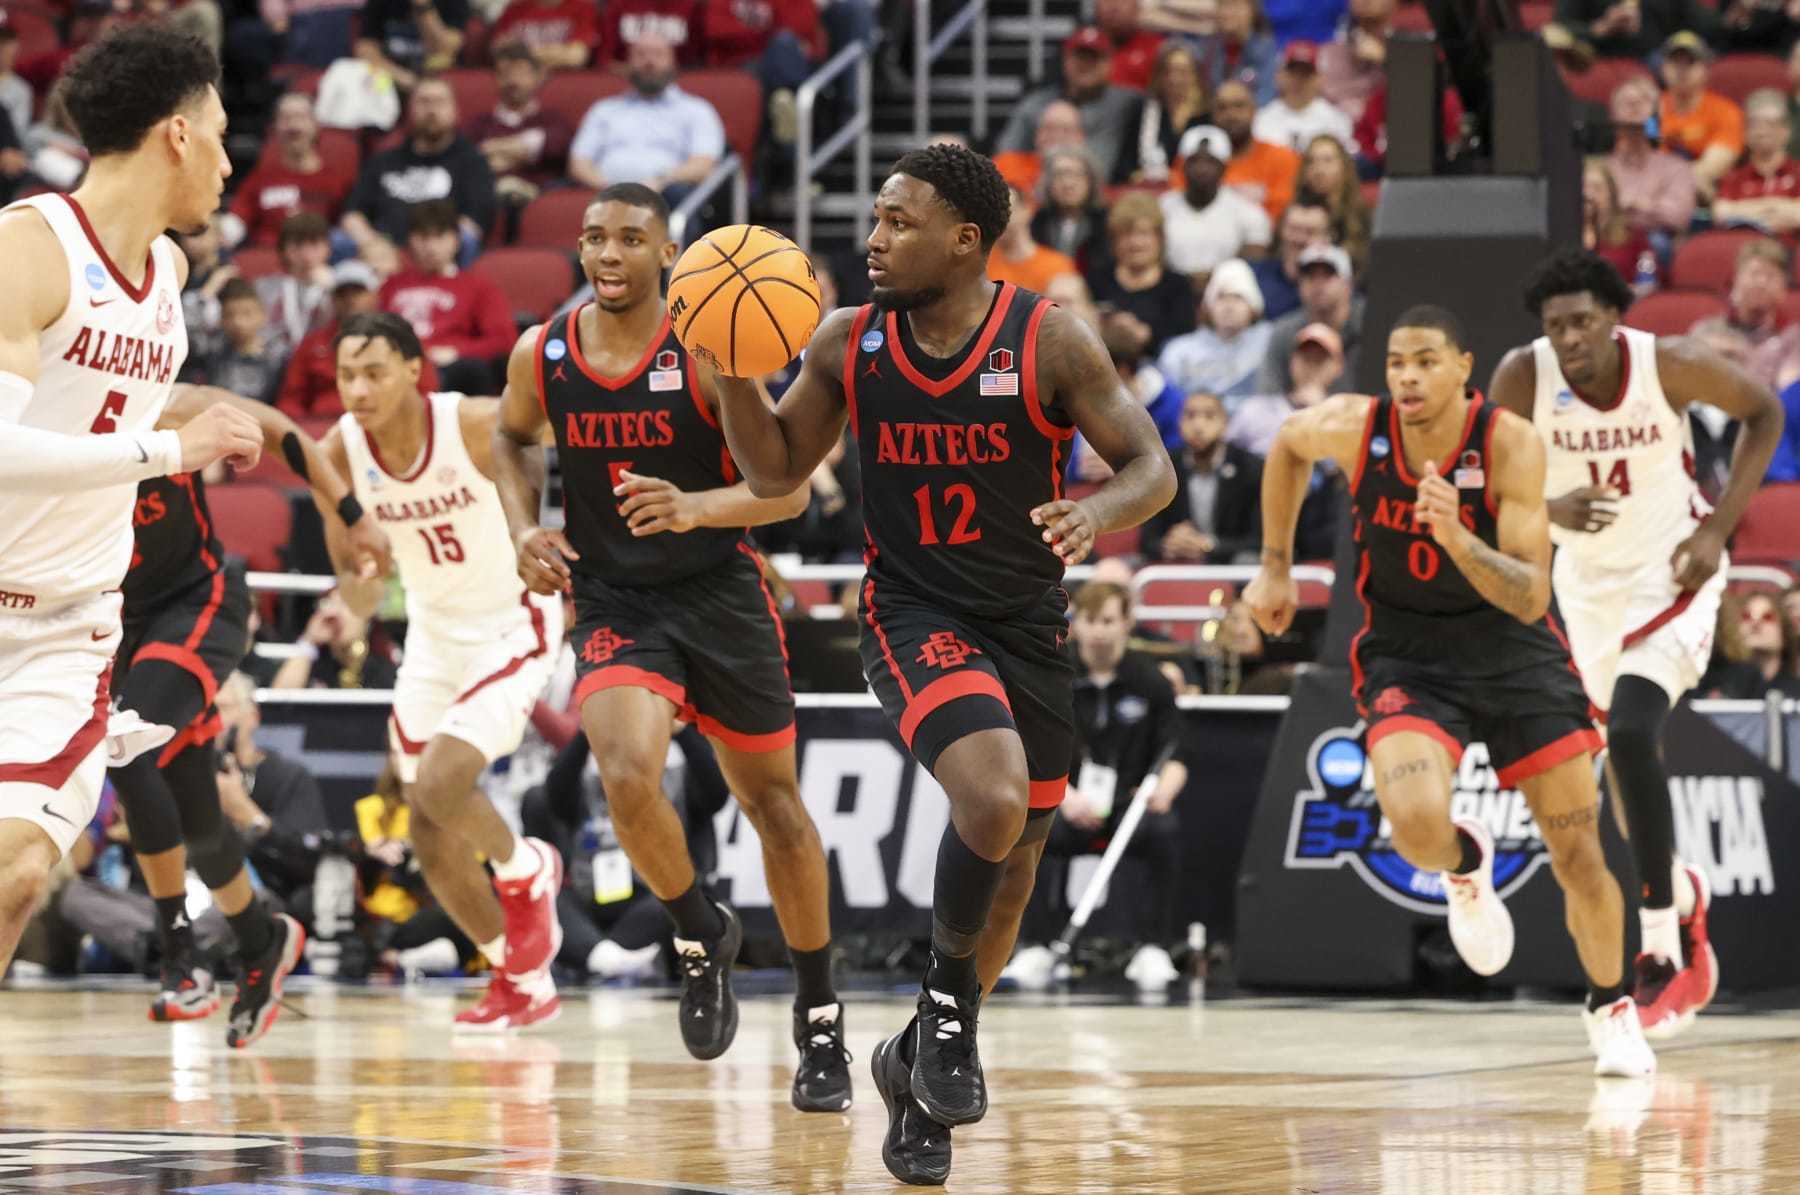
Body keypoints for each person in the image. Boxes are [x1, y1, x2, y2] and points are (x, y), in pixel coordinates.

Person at [706, 143, 1176, 1185]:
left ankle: (916, 1071)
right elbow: (777, 471)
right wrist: (734, 366)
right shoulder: (846, 340)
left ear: (966, 241)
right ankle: (952, 1013)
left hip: (1027, 627)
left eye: (898, 223)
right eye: (874, 220)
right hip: (912, 612)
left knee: (1009, 885)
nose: (873, 241)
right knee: (995, 798)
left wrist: (1096, 510)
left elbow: (1152, 466)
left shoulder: (1050, 341)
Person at [489, 184, 851, 1107]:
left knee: (775, 809)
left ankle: (819, 1017)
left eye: (630, 239)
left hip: (721, 593)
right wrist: (523, 526)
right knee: (623, 770)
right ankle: (699, 932)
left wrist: (697, 505)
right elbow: (509, 438)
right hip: (616, 598)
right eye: (595, 238)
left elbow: (789, 492)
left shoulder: (708, 350)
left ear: (668, 254)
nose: (608, 254)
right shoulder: (546, 353)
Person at [1243, 305, 1656, 1077]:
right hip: (1409, 656)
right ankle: (1466, 866)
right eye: (1398, 361)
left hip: (1514, 652)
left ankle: (1612, 1005)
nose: (1407, 376)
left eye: (1426, 360)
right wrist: (1274, 563)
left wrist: (1459, 537)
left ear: (1464, 367)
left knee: (1578, 852)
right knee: (1412, 825)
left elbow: (1532, 596)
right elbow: (1287, 446)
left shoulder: (1509, 443)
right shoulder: (1354, 427)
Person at [0, 24, 266, 980]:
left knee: (20, 870)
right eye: (224, 135)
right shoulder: (30, 248)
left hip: (66, 632)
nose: (232, 164)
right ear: (178, 135)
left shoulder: (172, 274)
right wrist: (170, 450)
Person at [1490, 248, 1782, 1039]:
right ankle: (1684, 895)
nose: (1570, 337)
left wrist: (1718, 531)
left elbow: (1765, 413)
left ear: (1615, 317)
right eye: (1557, 325)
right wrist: (1549, 511)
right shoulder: (1523, 375)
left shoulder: (1672, 364)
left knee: (1628, 731)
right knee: (1616, 767)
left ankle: (1659, 952)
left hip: (1673, 571)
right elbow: (1488, 473)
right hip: (1585, 590)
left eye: (1583, 319)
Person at [110, 382, 388, 1041]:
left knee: (128, 745)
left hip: (196, 601)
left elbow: (284, 431)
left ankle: (181, 954)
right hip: (113, 625)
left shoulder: (161, 403)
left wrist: (348, 512)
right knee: (202, 820)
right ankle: (261, 942)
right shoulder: (36, 435)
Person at [320, 311, 567, 1029]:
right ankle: (517, 976)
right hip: (432, 635)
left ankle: (526, 869)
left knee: (441, 779)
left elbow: (572, 435)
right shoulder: (339, 452)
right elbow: (360, 589)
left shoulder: (471, 422)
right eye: (345, 375)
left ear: (412, 370)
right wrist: (362, 583)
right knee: (424, 824)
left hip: (508, 622)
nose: (358, 389)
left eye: (373, 372)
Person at [1007, 579, 1190, 990]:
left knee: (1163, 832)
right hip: (1068, 799)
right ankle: (1035, 946)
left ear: (1127, 624)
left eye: (1109, 620)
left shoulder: (1152, 683)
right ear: (1076, 624)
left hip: (1131, 803)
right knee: (1035, 831)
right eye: (1091, 620)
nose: (1100, 630)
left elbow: (1177, 753)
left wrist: (1161, 791)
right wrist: (1064, 797)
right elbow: (1029, 748)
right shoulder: (1054, 677)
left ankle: (1152, 948)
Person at [341, 78, 496, 274]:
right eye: (423, 102)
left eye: (439, 102)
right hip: (381, 247)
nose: (431, 111)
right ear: (409, 110)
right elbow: (353, 214)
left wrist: (424, 248)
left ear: (455, 111)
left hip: (439, 249)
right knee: (339, 241)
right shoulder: (383, 161)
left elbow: (474, 222)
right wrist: (373, 244)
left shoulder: (472, 162)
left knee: (466, 241)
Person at [377, 200, 515, 394]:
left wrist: (458, 352)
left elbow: (503, 340)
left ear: (456, 241)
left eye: (439, 237)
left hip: (445, 370)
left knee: (469, 371)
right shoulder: (391, 286)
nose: (431, 246)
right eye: (423, 237)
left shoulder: (479, 287)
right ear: (410, 240)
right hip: (394, 366)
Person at [567, 33, 725, 202]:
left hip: (667, 196)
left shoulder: (697, 110)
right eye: (640, 55)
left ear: (673, 63)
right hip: (604, 198)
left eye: (658, 54)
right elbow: (579, 163)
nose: (649, 62)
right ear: (628, 64)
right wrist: (609, 189)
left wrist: (662, 181)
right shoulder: (604, 109)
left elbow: (703, 165)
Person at [993, 27, 1144, 184]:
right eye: (1080, 56)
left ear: (1109, 63)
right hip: (1039, 188)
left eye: (1094, 57)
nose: (1085, 64)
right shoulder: (1035, 104)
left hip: (1098, 192)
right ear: (1065, 59)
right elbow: (1006, 153)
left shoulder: (1127, 102)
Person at [221, 93, 355, 251]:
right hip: (268, 260)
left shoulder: (335, 180)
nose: (293, 126)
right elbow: (236, 222)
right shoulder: (260, 179)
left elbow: (348, 225)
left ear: (315, 125)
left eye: (300, 117)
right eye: (285, 118)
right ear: (275, 128)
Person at [1141, 389, 1263, 563]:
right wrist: (1169, 543)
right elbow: (1147, 540)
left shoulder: (1251, 468)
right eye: (1190, 416)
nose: (1198, 426)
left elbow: (1259, 541)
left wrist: (1209, 545)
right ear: (1179, 424)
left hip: (1229, 563)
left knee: (1248, 561)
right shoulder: (1163, 467)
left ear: (1225, 424)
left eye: (1209, 416)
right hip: (1177, 561)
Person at [1087, 191, 1201, 354]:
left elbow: (1185, 341)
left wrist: (1145, 334)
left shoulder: (1178, 286)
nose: (1135, 243)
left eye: (1144, 233)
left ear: (1160, 238)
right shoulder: (1097, 280)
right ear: (1114, 240)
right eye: (1126, 234)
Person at [464, 43, 575, 199]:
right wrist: (530, 150)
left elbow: (560, 145)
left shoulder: (553, 119)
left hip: (541, 200)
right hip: (490, 200)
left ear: (538, 77)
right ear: (495, 78)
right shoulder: (480, 124)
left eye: (521, 74)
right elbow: (467, 158)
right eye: (505, 74)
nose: (513, 81)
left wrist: (494, 148)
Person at [1161, 125, 1272, 281]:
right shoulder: (1161, 208)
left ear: (1225, 167)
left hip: (1226, 293)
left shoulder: (1249, 212)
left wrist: (1211, 280)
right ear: (1183, 166)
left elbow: (1254, 262)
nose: (1202, 169)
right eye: (1194, 161)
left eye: (1211, 162)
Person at [1156, 256, 1271, 400]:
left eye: (1238, 297)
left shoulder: (1270, 343)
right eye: (1221, 297)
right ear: (1207, 307)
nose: (1229, 306)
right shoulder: (1178, 351)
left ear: (1254, 308)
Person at [1257, 241, 1362, 394]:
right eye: (1310, 276)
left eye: (1327, 275)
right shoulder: (1284, 332)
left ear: (1348, 284)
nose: (1318, 284)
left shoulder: (1368, 326)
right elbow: (1268, 397)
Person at [1606, 76, 1698, 243]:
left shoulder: (1676, 167)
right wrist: (1651, 207)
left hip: (1654, 242)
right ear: (1612, 114)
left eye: (1643, 99)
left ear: (1657, 114)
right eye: (1625, 101)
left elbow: (1678, 217)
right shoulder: (1602, 167)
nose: (1634, 104)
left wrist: (1636, 205)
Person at [1656, 31, 1743, 203]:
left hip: (1704, 199)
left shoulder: (1726, 111)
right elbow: (1643, 159)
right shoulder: (1650, 111)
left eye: (1690, 62)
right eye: (1675, 63)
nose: (1682, 70)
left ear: (1705, 69)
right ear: (1663, 68)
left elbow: (1711, 168)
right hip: (1654, 198)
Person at [1207, 79, 1299, 225]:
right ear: (1212, 115)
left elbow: (1282, 217)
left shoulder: (1283, 158)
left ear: (1254, 110)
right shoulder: (1196, 163)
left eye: (1239, 106)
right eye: (1222, 108)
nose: (1231, 114)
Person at [1714, 89, 1800, 238]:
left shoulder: (1797, 172)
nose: (1762, 131)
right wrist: (1777, 206)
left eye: (1770, 124)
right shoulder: (1734, 176)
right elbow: (1721, 214)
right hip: (1742, 251)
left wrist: (1745, 211)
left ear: (1786, 131)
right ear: (1745, 133)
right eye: (1755, 124)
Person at [255, 213, 336, 357]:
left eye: (314, 244)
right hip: (275, 360)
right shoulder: (264, 287)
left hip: (321, 360)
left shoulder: (341, 287)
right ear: (283, 249)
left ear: (328, 248)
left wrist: (333, 290)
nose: (307, 254)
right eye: (298, 246)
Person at [1251, 41, 1353, 155]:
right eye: (1293, 72)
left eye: (1306, 74)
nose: (1298, 80)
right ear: (1279, 76)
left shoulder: (1337, 121)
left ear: (1319, 79)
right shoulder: (1261, 119)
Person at [1133, 40, 1211, 183]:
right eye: (1168, 71)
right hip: (1151, 188)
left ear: (1195, 75)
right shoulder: (1145, 111)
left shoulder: (1207, 116)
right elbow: (1127, 163)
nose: (1174, 79)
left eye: (1182, 72)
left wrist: (1174, 177)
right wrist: (1134, 174)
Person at [203, 278, 289, 403]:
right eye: (229, 315)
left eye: (247, 314)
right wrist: (206, 293)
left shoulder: (279, 356)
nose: (238, 322)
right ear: (220, 319)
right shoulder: (214, 352)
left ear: (263, 315)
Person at [1248, 196, 1331, 321]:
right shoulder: (1254, 275)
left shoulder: (1335, 283)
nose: (1300, 239)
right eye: (1294, 229)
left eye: (1310, 232)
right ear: (1281, 230)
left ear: (1326, 238)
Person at [1031, 147, 1110, 276]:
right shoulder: (1037, 224)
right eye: (1059, 175)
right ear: (1048, 183)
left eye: (1077, 175)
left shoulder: (1106, 223)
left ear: (1091, 181)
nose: (1068, 183)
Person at [988, 182, 1078, 293]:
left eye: (1004, 211)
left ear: (1026, 210)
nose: (997, 219)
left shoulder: (1056, 267)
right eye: (991, 213)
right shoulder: (980, 265)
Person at [1298, 134, 1370, 270]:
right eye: (1311, 162)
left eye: (1327, 160)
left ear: (1344, 165)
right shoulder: (1296, 215)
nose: (1318, 170)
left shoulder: (1364, 214)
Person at [1583, 158, 1654, 288]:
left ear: (1611, 194)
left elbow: (1647, 284)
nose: (1589, 195)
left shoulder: (1633, 236)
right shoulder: (1563, 234)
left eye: (1597, 188)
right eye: (1583, 188)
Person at [992, 100, 1086, 198]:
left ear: (1080, 137)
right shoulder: (1005, 165)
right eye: (1049, 128)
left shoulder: (1089, 177)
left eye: (1066, 130)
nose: (1056, 136)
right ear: (1037, 135)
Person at [488, 0, 601, 70]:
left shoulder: (582, 7)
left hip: (565, 82)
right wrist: (559, 53)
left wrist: (521, 52)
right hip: (521, 82)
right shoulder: (514, 9)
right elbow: (500, 55)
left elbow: (576, 57)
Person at [1210, 0, 1279, 106]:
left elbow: (1267, 96)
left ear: (1252, 11)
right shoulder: (1210, 49)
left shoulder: (1265, 50)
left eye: (1235, 6)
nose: (1227, 13)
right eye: (1223, 5)